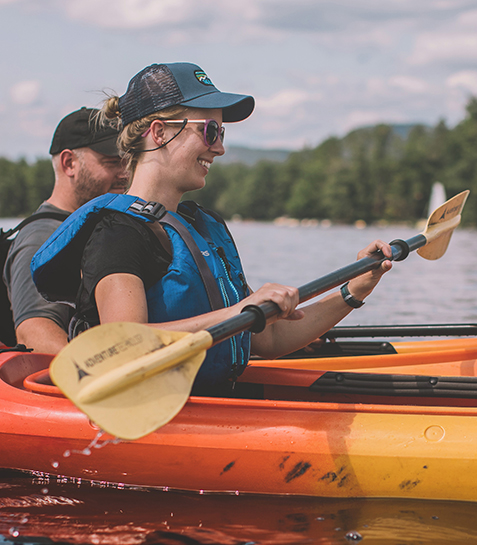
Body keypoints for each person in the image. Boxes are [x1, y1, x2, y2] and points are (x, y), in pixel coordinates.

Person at [32, 63, 392, 391]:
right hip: (151, 414)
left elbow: (267, 339)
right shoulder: (118, 232)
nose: (219, 148)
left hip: (214, 402)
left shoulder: (202, 227)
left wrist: (354, 290)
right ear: (159, 133)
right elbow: (121, 345)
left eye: (221, 133)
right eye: (210, 131)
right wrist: (238, 311)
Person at [3, 107, 128, 354]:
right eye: (112, 162)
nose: (125, 173)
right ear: (69, 163)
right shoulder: (43, 237)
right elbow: (34, 332)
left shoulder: (95, 228)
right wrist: (98, 377)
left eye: (127, 162)